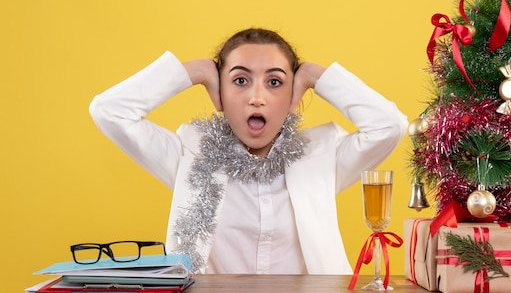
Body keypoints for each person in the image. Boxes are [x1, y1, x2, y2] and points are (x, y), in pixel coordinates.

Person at [89, 27, 407, 275]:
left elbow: (390, 125)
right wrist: (194, 72)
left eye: (275, 82)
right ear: (220, 93)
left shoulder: (320, 156)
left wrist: (315, 76)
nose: (257, 97)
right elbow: (108, 111)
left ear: (292, 96)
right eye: (240, 80)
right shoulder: (189, 154)